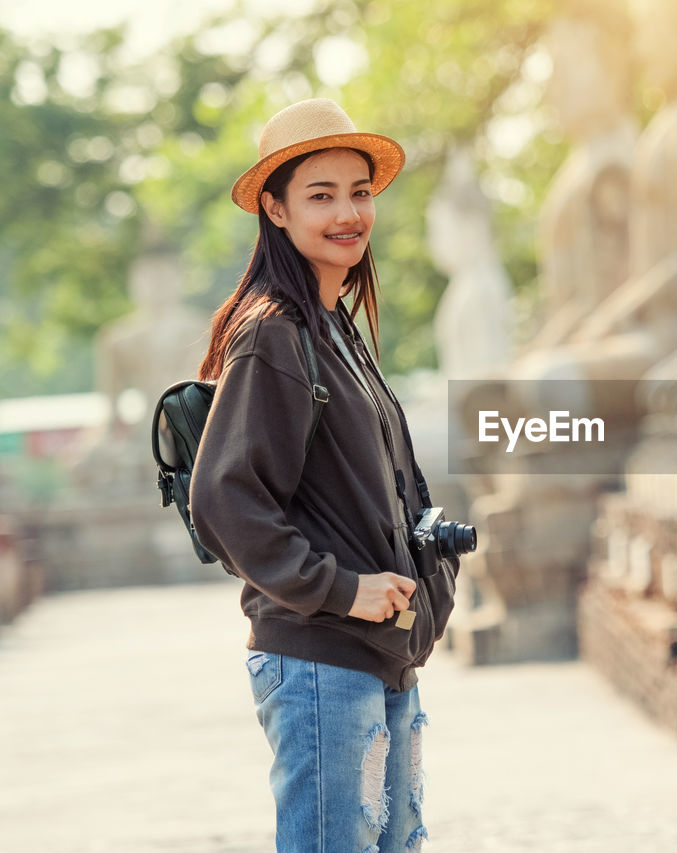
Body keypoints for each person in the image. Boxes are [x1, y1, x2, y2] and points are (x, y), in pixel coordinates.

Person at [189, 98, 433, 853]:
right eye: (320, 195)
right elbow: (223, 498)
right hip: (322, 662)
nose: (348, 213)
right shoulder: (274, 333)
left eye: (358, 192)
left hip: (380, 658)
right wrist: (342, 587)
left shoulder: (337, 331)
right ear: (276, 208)